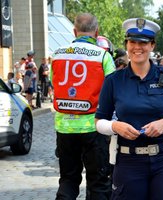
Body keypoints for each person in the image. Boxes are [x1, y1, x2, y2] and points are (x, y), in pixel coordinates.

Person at [95, 18, 163, 200]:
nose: (137, 47)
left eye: (143, 43)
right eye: (132, 42)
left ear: (152, 45)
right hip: (128, 161)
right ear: (126, 44)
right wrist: (115, 127)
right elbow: (99, 122)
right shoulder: (114, 81)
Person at [51, 13, 115, 200]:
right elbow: (111, 89)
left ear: (74, 31)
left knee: (68, 180)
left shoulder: (57, 54)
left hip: (64, 128)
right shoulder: (103, 55)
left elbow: (53, 83)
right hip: (93, 128)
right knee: (98, 182)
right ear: (97, 32)